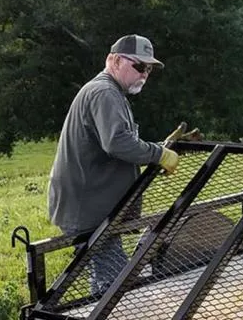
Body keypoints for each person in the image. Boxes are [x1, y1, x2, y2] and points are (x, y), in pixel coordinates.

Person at [47, 34, 179, 295]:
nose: (144, 75)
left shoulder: (111, 92)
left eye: (149, 69)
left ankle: (103, 313)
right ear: (115, 60)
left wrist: (156, 153)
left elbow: (120, 144)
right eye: (139, 66)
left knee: (109, 273)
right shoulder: (104, 92)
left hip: (94, 206)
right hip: (88, 210)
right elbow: (117, 142)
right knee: (115, 286)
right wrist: (159, 154)